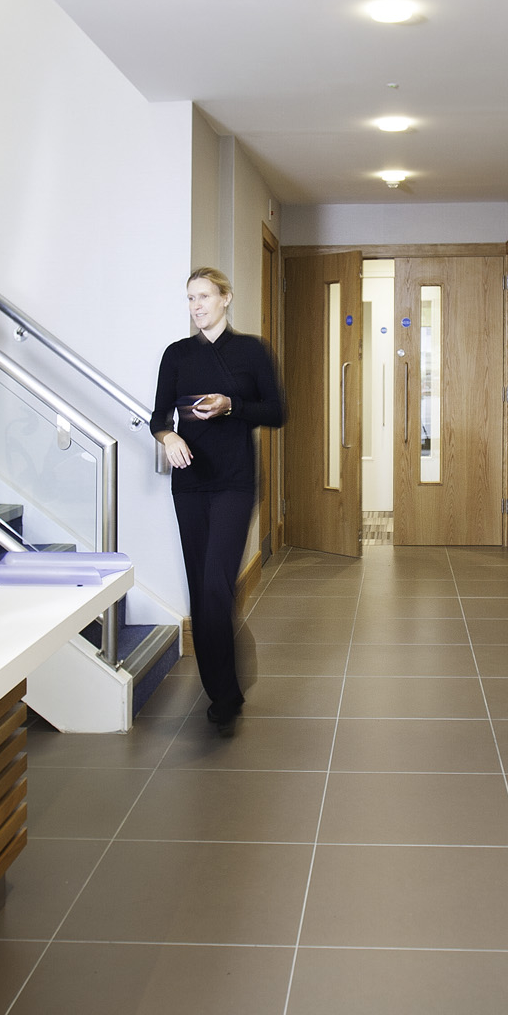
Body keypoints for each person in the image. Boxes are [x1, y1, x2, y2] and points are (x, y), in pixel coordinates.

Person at [151, 268, 285, 735]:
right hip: (189, 484)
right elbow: (158, 416)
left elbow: (278, 411)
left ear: (226, 298)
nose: (196, 306)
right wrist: (168, 437)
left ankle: (224, 691)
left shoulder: (251, 351)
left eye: (204, 296)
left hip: (234, 482)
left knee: (215, 585)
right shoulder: (177, 355)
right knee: (200, 588)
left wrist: (233, 406)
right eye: (190, 298)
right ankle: (222, 687)